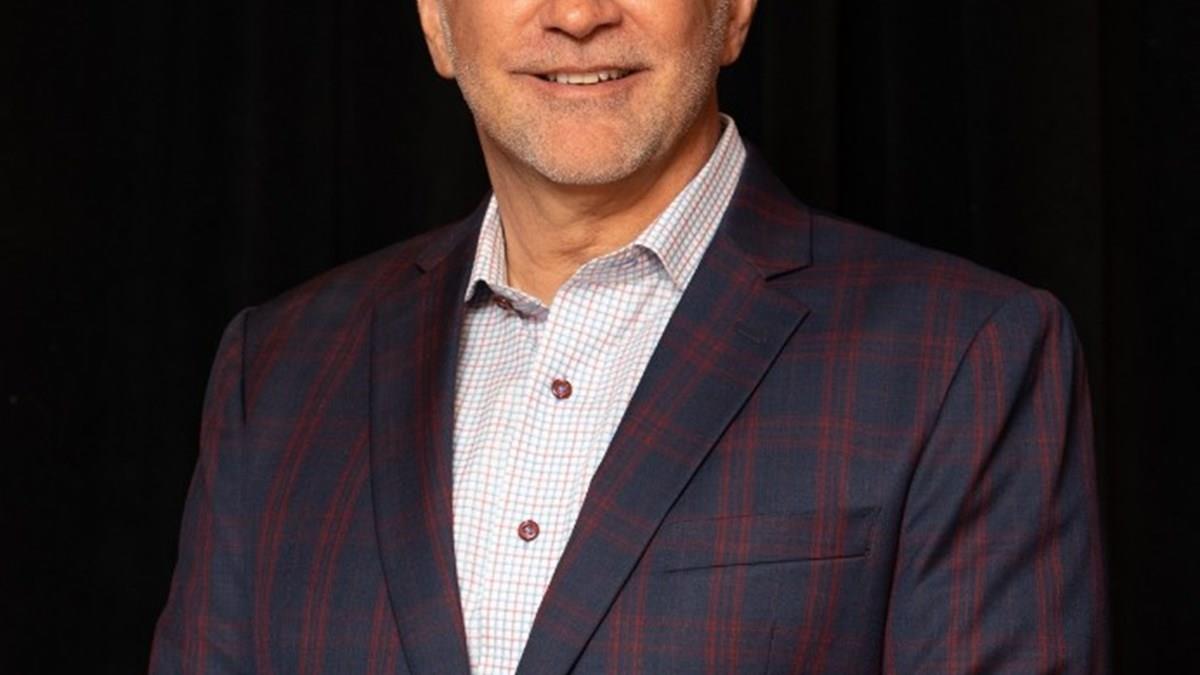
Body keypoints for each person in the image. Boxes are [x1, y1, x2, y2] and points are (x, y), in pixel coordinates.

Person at [151, 0, 1107, 672]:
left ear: (734, 10)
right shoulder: (276, 372)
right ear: (437, 19)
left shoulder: (962, 359)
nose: (577, 15)